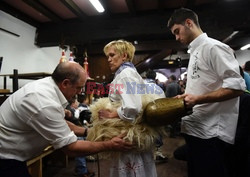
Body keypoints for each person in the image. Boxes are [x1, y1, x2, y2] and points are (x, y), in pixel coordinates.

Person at [0, 61, 133, 177]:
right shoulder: (43, 102)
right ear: (65, 83)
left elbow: (60, 123)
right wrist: (109, 145)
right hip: (5, 158)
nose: (80, 92)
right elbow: (71, 148)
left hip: (13, 155)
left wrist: (89, 131)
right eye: (79, 88)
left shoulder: (48, 87)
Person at [167, 8, 246, 177]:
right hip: (196, 129)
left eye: (177, 31)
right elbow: (203, 86)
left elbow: (237, 87)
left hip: (211, 133)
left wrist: (197, 99)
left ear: (189, 23)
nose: (177, 38)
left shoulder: (214, 47)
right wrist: (185, 98)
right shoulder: (195, 51)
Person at [98, 40, 158, 177]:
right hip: (129, 129)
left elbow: (132, 107)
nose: (109, 59)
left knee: (131, 168)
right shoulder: (127, 73)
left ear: (124, 56)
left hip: (127, 130)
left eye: (112, 55)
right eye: (108, 56)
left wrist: (112, 114)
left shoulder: (126, 74)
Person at [144, 69, 168, 163]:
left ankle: (145, 153)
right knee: (157, 132)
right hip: (155, 115)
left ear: (146, 76)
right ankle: (157, 152)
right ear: (155, 77)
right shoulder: (159, 89)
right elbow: (164, 103)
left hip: (142, 115)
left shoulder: (139, 87)